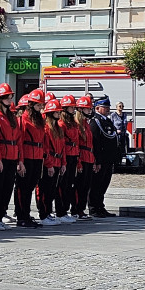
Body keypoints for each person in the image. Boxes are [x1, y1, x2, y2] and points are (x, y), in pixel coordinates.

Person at [0, 83, 21, 231]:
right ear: (0, 99)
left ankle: (1, 215)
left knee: (7, 189)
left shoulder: (11, 116)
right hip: (2, 157)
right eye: (7, 97)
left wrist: (19, 159)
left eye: (11, 96)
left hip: (12, 156)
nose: (10, 99)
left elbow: (18, 137)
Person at [14, 90, 45, 228]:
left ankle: (26, 215)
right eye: (38, 105)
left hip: (37, 156)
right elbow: (19, 141)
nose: (40, 108)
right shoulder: (23, 120)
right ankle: (21, 215)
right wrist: (20, 161)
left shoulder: (39, 120)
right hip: (26, 156)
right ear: (31, 105)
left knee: (31, 187)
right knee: (23, 188)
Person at [89, 95, 120, 217]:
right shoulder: (95, 122)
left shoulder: (107, 121)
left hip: (108, 159)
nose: (108, 109)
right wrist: (97, 160)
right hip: (100, 159)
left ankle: (100, 206)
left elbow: (113, 139)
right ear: (97, 108)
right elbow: (95, 142)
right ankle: (93, 208)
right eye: (105, 107)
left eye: (108, 107)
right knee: (96, 184)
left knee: (103, 184)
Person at [36, 98, 66, 226]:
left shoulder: (58, 128)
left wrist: (63, 163)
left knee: (52, 190)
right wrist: (49, 164)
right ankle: (44, 214)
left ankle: (48, 213)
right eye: (56, 112)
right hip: (50, 162)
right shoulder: (46, 129)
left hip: (58, 162)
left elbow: (63, 147)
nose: (59, 114)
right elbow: (46, 148)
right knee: (45, 190)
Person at [56, 95, 80, 223]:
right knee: (63, 185)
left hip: (73, 154)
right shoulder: (62, 123)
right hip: (66, 154)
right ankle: (60, 211)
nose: (73, 109)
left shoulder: (73, 123)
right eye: (71, 107)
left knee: (69, 184)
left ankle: (65, 209)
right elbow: (62, 143)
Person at [71, 94, 96, 221]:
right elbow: (77, 144)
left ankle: (81, 209)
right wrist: (78, 162)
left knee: (86, 186)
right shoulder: (76, 124)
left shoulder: (86, 124)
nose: (90, 111)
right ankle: (76, 210)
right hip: (81, 157)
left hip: (89, 157)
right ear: (81, 110)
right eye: (87, 109)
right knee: (79, 186)